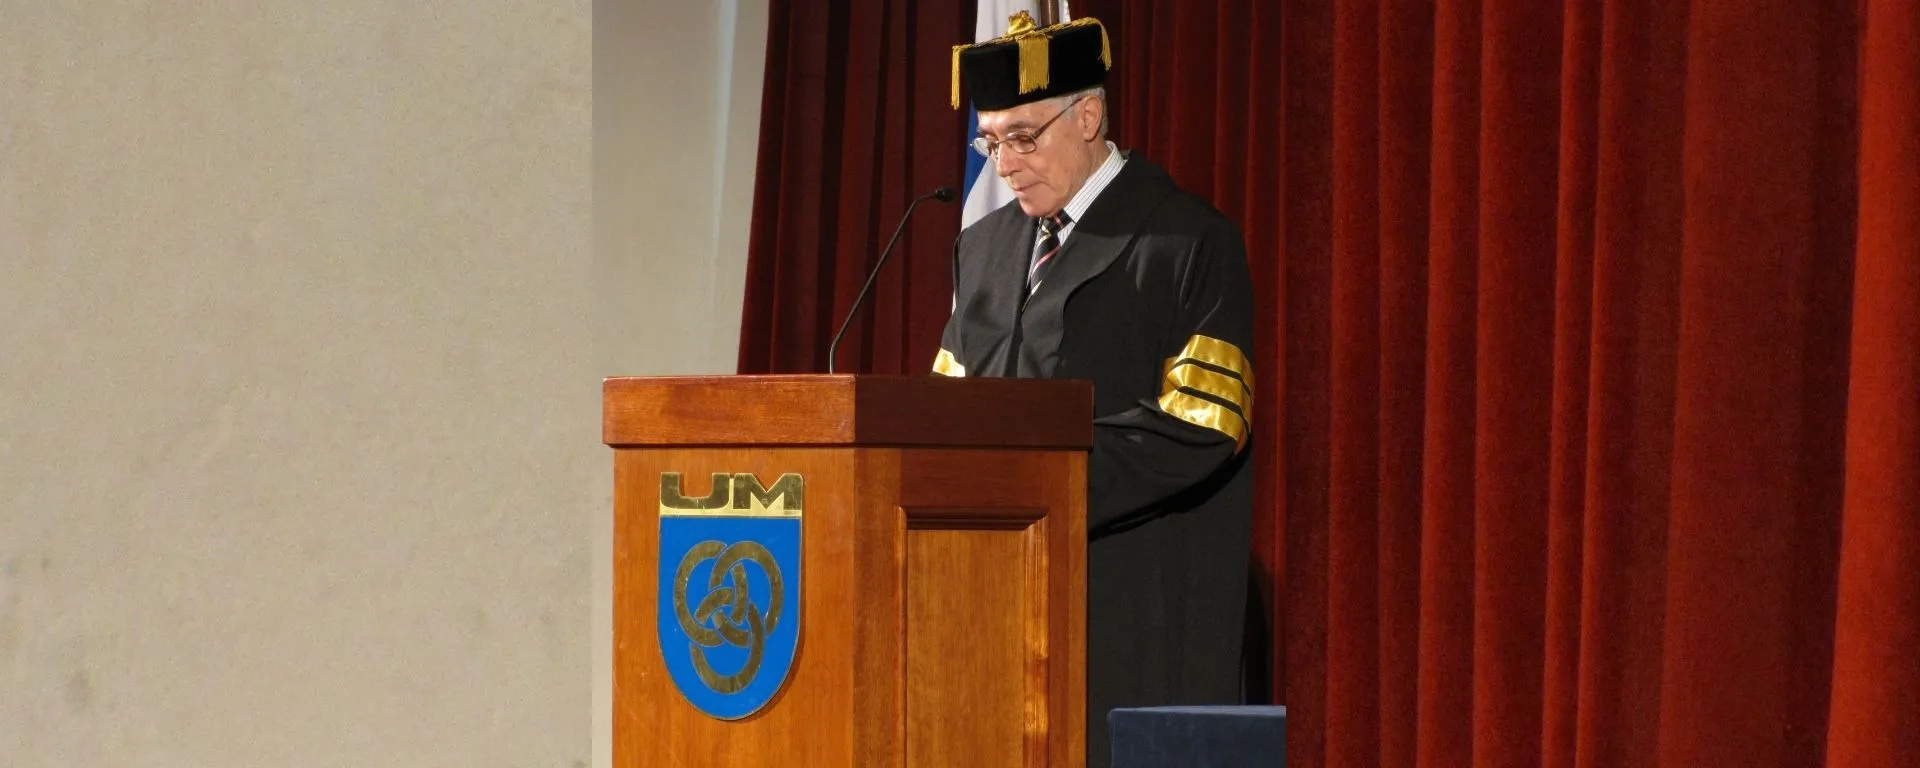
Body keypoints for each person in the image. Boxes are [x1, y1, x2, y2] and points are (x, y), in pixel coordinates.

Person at [937, 12, 1258, 768]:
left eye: (1023, 137)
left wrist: (1041, 484)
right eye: (991, 141)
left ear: (1087, 115)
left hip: (1132, 605)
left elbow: (1205, 421)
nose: (1005, 164)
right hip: (998, 607)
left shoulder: (1186, 242)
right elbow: (945, 412)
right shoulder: (983, 249)